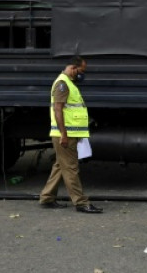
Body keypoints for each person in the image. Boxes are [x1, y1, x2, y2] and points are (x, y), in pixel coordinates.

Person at [39, 56, 103, 213]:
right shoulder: (63, 84)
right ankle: (81, 203)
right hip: (65, 134)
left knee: (61, 165)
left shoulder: (68, 83)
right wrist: (64, 135)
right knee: (71, 168)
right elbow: (58, 110)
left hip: (70, 133)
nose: (82, 74)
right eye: (81, 71)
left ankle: (47, 197)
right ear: (73, 68)